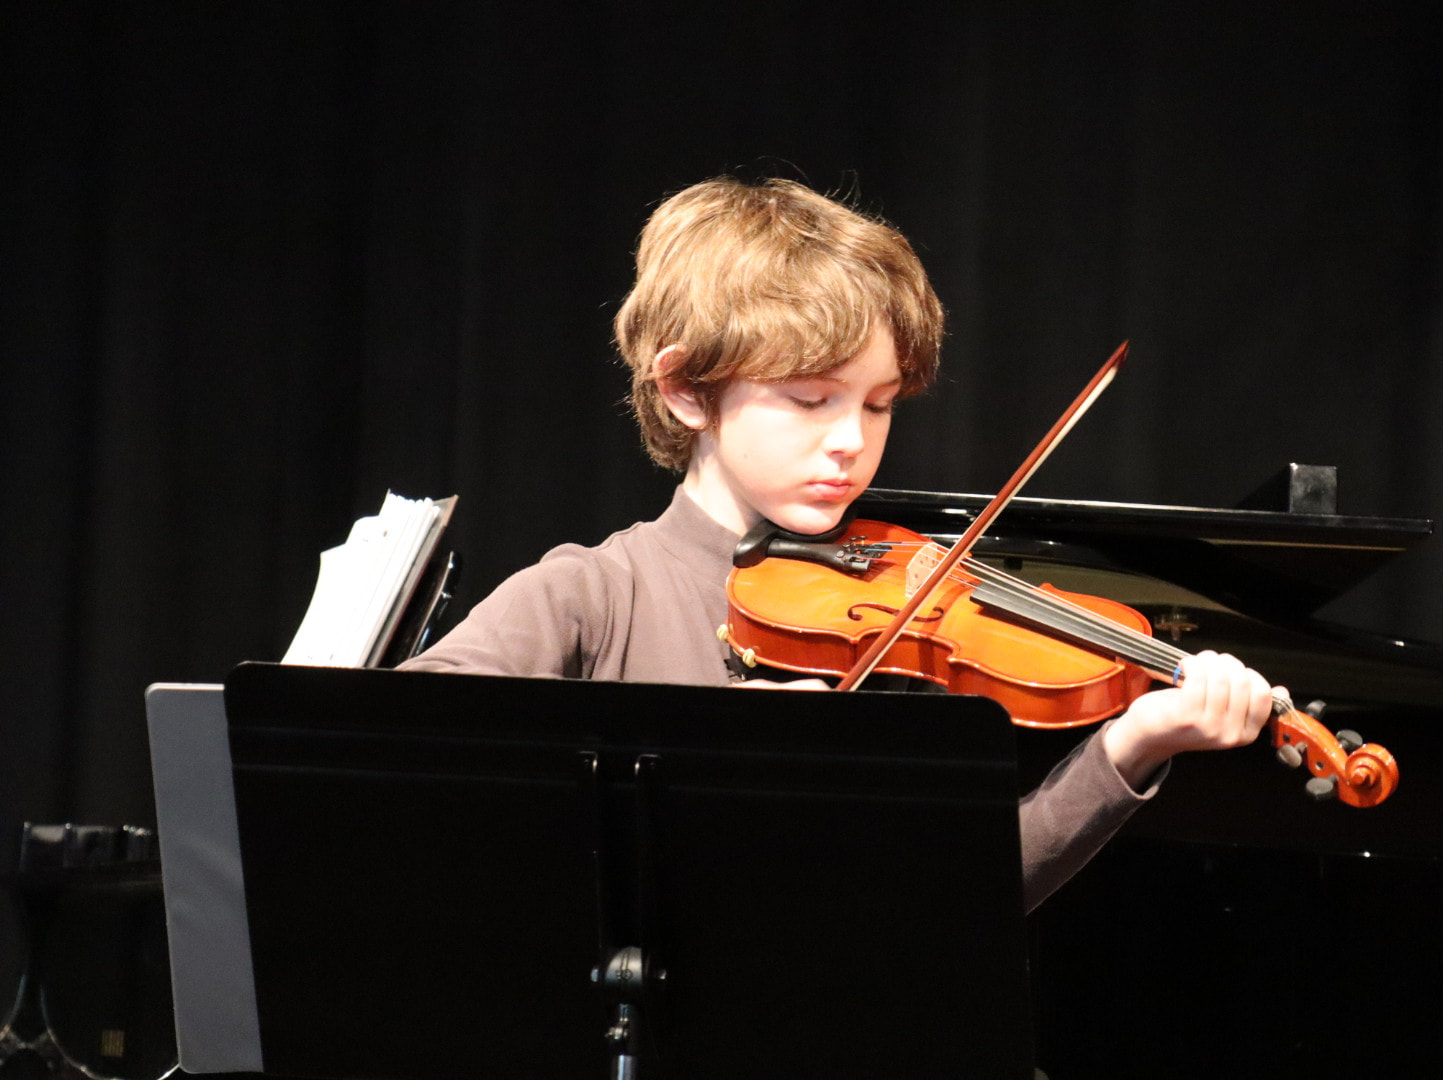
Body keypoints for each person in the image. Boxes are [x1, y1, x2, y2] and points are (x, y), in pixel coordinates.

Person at [398, 177, 1275, 910]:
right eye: (811, 399)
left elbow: (959, 892)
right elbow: (403, 759)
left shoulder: (906, 620)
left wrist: (1134, 745)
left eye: (879, 403)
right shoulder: (591, 594)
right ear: (684, 391)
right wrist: (693, 759)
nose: (852, 440)